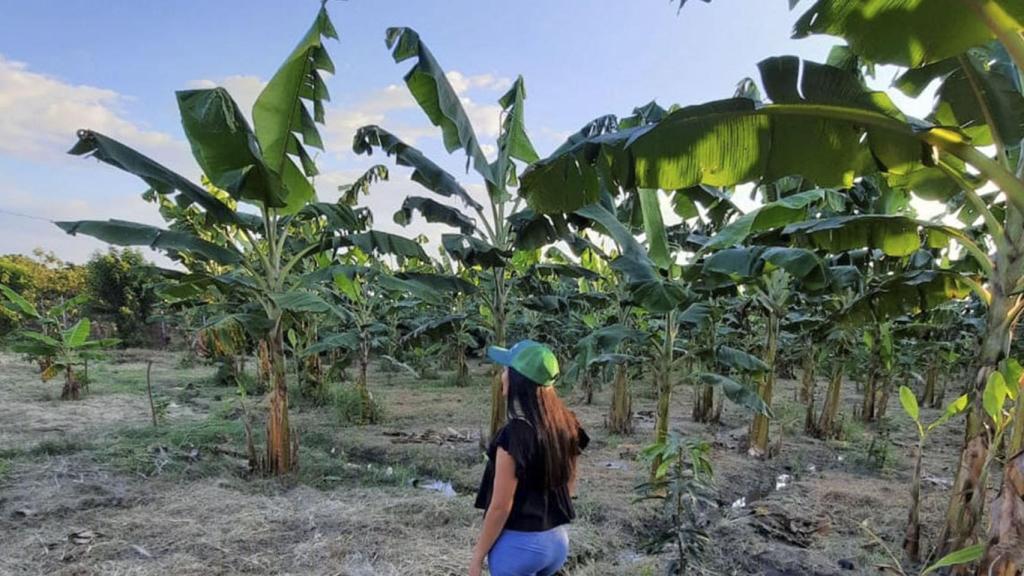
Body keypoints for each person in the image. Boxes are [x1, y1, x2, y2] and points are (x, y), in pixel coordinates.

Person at [470, 340, 590, 576]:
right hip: (556, 541)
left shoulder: (514, 435)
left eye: (506, 370)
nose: (502, 375)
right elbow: (569, 481)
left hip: (519, 548)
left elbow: (501, 507)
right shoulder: (565, 423)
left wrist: (477, 558)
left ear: (518, 379)